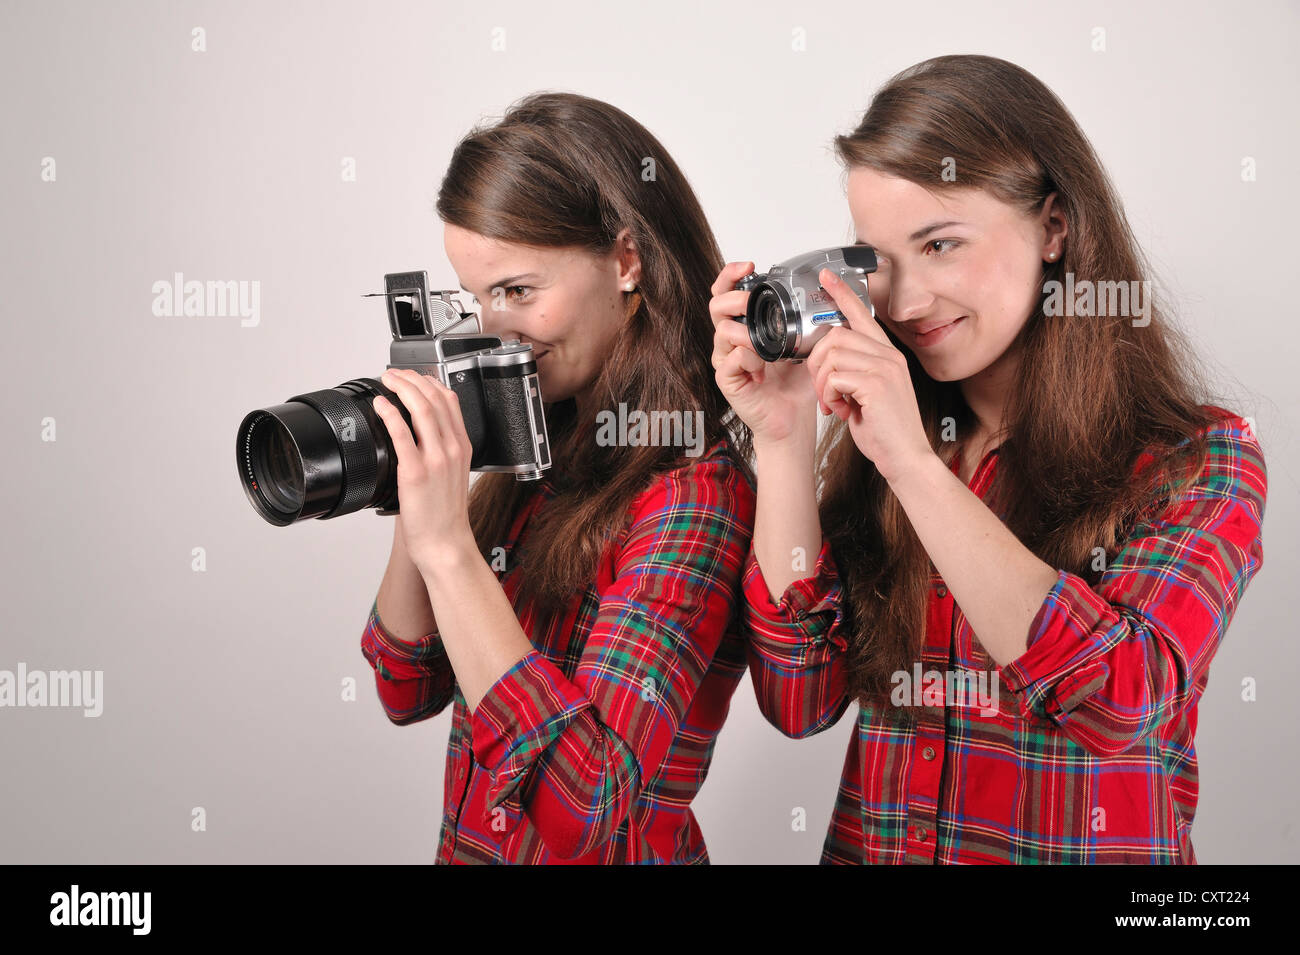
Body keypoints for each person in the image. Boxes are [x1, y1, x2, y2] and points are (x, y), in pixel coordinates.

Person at [710, 54, 1267, 864]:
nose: (903, 303)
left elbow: (1114, 699)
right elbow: (800, 699)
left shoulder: (1202, 460)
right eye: (879, 261)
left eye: (940, 244)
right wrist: (786, 436)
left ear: (1053, 226)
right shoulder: (885, 438)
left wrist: (913, 467)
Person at [360, 91, 756, 864]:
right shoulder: (536, 446)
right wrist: (419, 500)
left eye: (517, 290)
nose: (492, 330)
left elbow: (592, 813)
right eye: (475, 298)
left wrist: (448, 547)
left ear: (626, 260)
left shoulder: (694, 491)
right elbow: (405, 686)